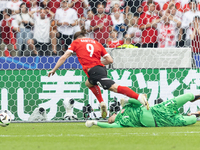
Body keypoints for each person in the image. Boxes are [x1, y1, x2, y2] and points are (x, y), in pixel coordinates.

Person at [48, 28, 149, 118]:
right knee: (88, 83)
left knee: (114, 87)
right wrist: (98, 63)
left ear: (76, 38)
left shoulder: (76, 42)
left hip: (95, 71)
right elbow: (110, 60)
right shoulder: (96, 43)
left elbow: (64, 57)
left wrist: (54, 69)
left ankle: (139, 97)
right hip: (98, 69)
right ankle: (101, 103)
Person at [85, 92, 199, 128]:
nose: (109, 120)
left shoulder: (125, 108)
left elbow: (139, 102)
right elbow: (109, 127)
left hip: (159, 109)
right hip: (160, 122)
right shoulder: (120, 123)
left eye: (109, 117)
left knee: (188, 96)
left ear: (113, 113)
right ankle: (196, 113)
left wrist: (127, 101)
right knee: (192, 120)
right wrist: (95, 123)